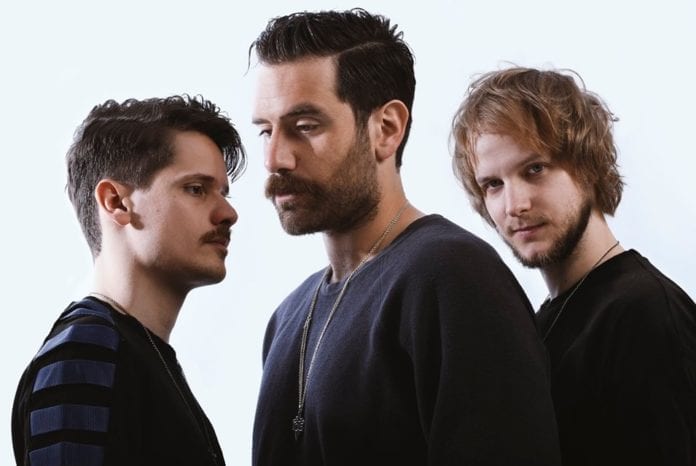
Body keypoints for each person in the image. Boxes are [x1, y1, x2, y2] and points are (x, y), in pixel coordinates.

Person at [249, 9, 561, 465]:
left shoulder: (452, 278)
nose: (275, 158)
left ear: (387, 129)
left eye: (306, 127)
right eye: (265, 131)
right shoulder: (287, 317)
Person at [451, 66, 696, 465]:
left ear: (588, 167)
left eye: (534, 169)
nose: (514, 205)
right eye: (493, 184)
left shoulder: (645, 314)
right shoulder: (546, 321)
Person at [12, 95, 246, 466]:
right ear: (117, 202)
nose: (228, 213)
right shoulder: (86, 350)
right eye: (196, 189)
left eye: (223, 193)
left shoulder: (136, 354)